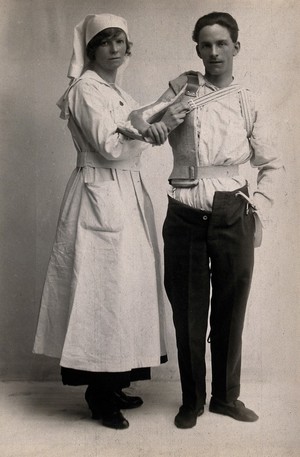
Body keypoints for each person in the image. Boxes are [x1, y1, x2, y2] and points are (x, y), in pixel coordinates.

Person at [129, 11, 284, 428]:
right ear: (196, 48)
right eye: (205, 45)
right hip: (184, 212)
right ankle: (192, 400)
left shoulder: (248, 97)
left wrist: (257, 210)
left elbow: (273, 164)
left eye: (221, 43)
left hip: (234, 211)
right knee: (189, 311)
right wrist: (158, 126)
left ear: (236, 46)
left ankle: (226, 398)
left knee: (232, 309)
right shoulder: (183, 89)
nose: (213, 52)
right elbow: (136, 120)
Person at [33, 13, 168, 430]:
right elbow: (110, 146)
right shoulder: (85, 90)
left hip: (123, 195)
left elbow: (132, 124)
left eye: (120, 41)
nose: (114, 48)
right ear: (90, 50)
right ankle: (100, 394)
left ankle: (117, 380)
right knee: (101, 293)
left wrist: (164, 106)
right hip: (99, 193)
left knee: (124, 291)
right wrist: (148, 129)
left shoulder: (117, 91)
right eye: (105, 41)